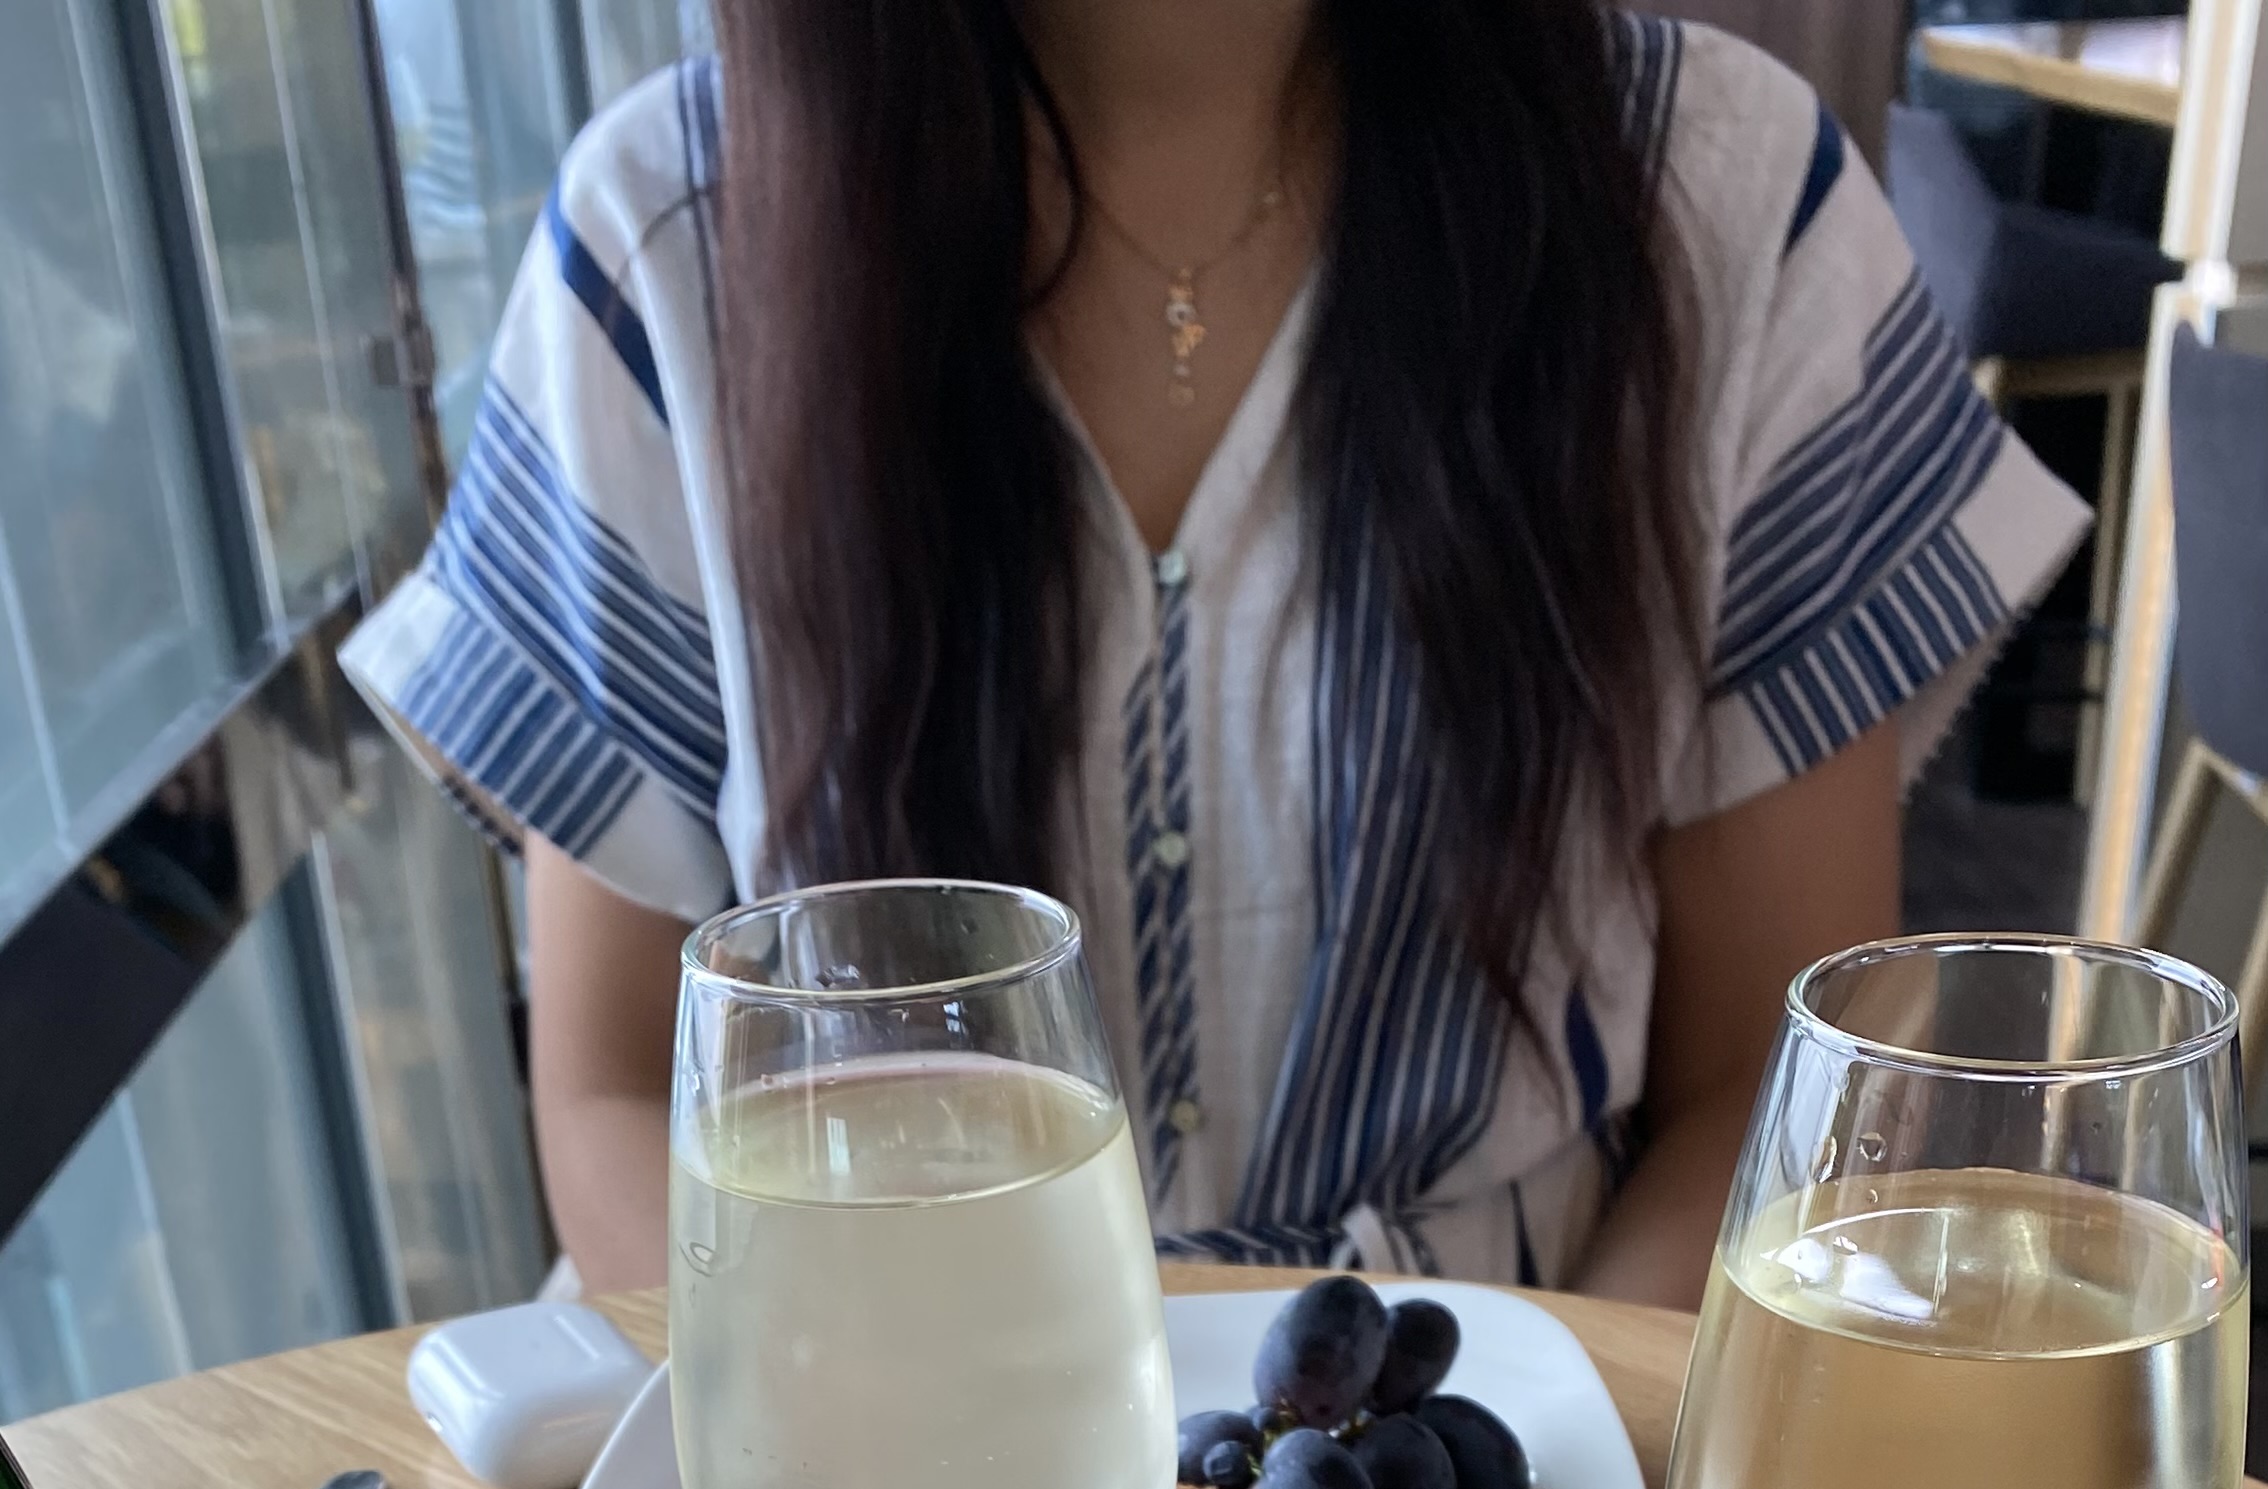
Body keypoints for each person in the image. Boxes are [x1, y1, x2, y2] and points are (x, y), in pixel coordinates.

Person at [345, 0, 2085, 1307]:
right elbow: (610, 1087)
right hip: (887, 1454)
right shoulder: (665, 247)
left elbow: (1774, 1082)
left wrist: (1512, 1485)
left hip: (1509, 1462)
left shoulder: (1717, 199)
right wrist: (857, 1470)